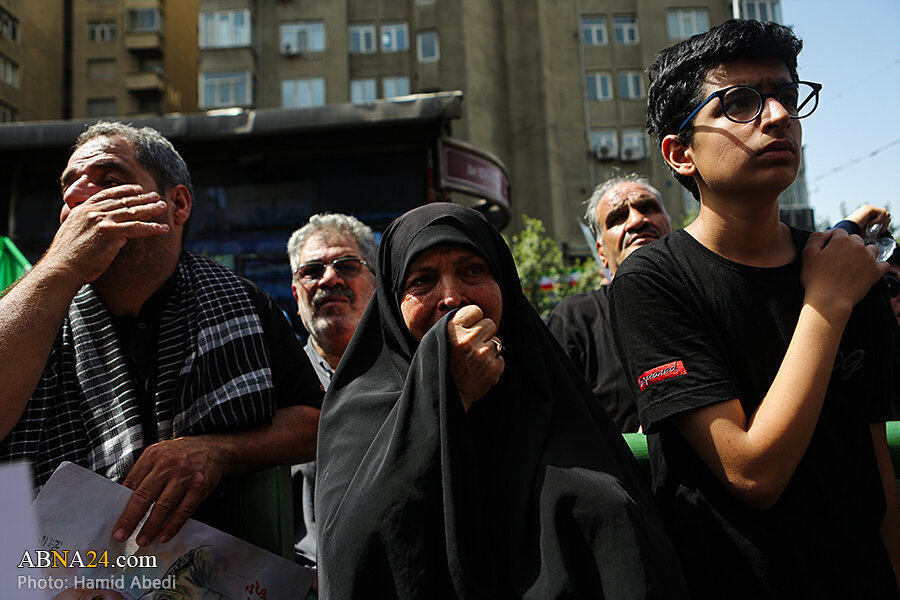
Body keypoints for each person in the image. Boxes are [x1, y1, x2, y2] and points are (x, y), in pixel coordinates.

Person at [608, 19, 900, 597]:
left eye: (787, 96)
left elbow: (879, 473)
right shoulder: (653, 282)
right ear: (680, 153)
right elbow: (751, 472)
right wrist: (826, 302)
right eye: (740, 102)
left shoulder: (843, 267)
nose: (778, 116)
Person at [315, 202, 686, 599]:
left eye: (473, 271)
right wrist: (450, 395)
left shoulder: (549, 399)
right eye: (422, 281)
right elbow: (360, 561)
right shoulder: (359, 413)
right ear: (392, 304)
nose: (452, 297)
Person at [0, 122, 323, 548]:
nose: (77, 197)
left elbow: (316, 422)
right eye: (69, 188)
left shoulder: (242, 301)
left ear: (177, 205)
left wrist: (218, 451)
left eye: (109, 180)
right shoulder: (34, 308)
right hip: (47, 571)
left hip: (213, 570)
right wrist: (59, 267)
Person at [286, 213, 377, 566]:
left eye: (347, 266)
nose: (329, 278)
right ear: (296, 294)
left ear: (375, 285)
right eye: (311, 271)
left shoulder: (416, 378)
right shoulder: (273, 390)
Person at [547, 174, 671, 432]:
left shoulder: (708, 301)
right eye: (617, 218)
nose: (637, 220)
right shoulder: (575, 320)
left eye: (648, 208)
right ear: (601, 252)